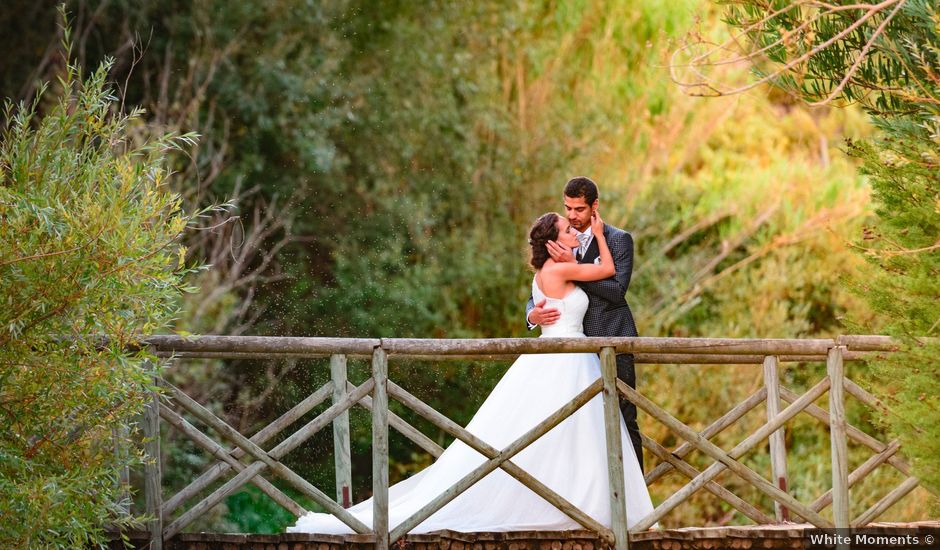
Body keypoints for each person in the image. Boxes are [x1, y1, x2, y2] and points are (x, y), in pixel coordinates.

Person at [288, 210, 654, 535]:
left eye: (574, 217)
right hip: (564, 358)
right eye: (566, 227)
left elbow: (601, 287)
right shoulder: (559, 267)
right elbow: (605, 272)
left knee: (568, 436)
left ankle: (578, 506)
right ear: (555, 242)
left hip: (571, 358)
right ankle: (575, 509)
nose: (573, 228)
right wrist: (597, 240)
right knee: (556, 434)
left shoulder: (551, 268)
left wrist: (543, 299)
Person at [526, 177, 643, 472]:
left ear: (595, 207)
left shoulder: (618, 240)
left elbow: (617, 291)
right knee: (577, 428)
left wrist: (574, 271)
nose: (573, 216)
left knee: (623, 418)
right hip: (571, 352)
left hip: (612, 341)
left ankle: (637, 508)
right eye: (568, 208)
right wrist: (532, 316)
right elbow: (539, 290)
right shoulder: (560, 240)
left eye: (579, 209)